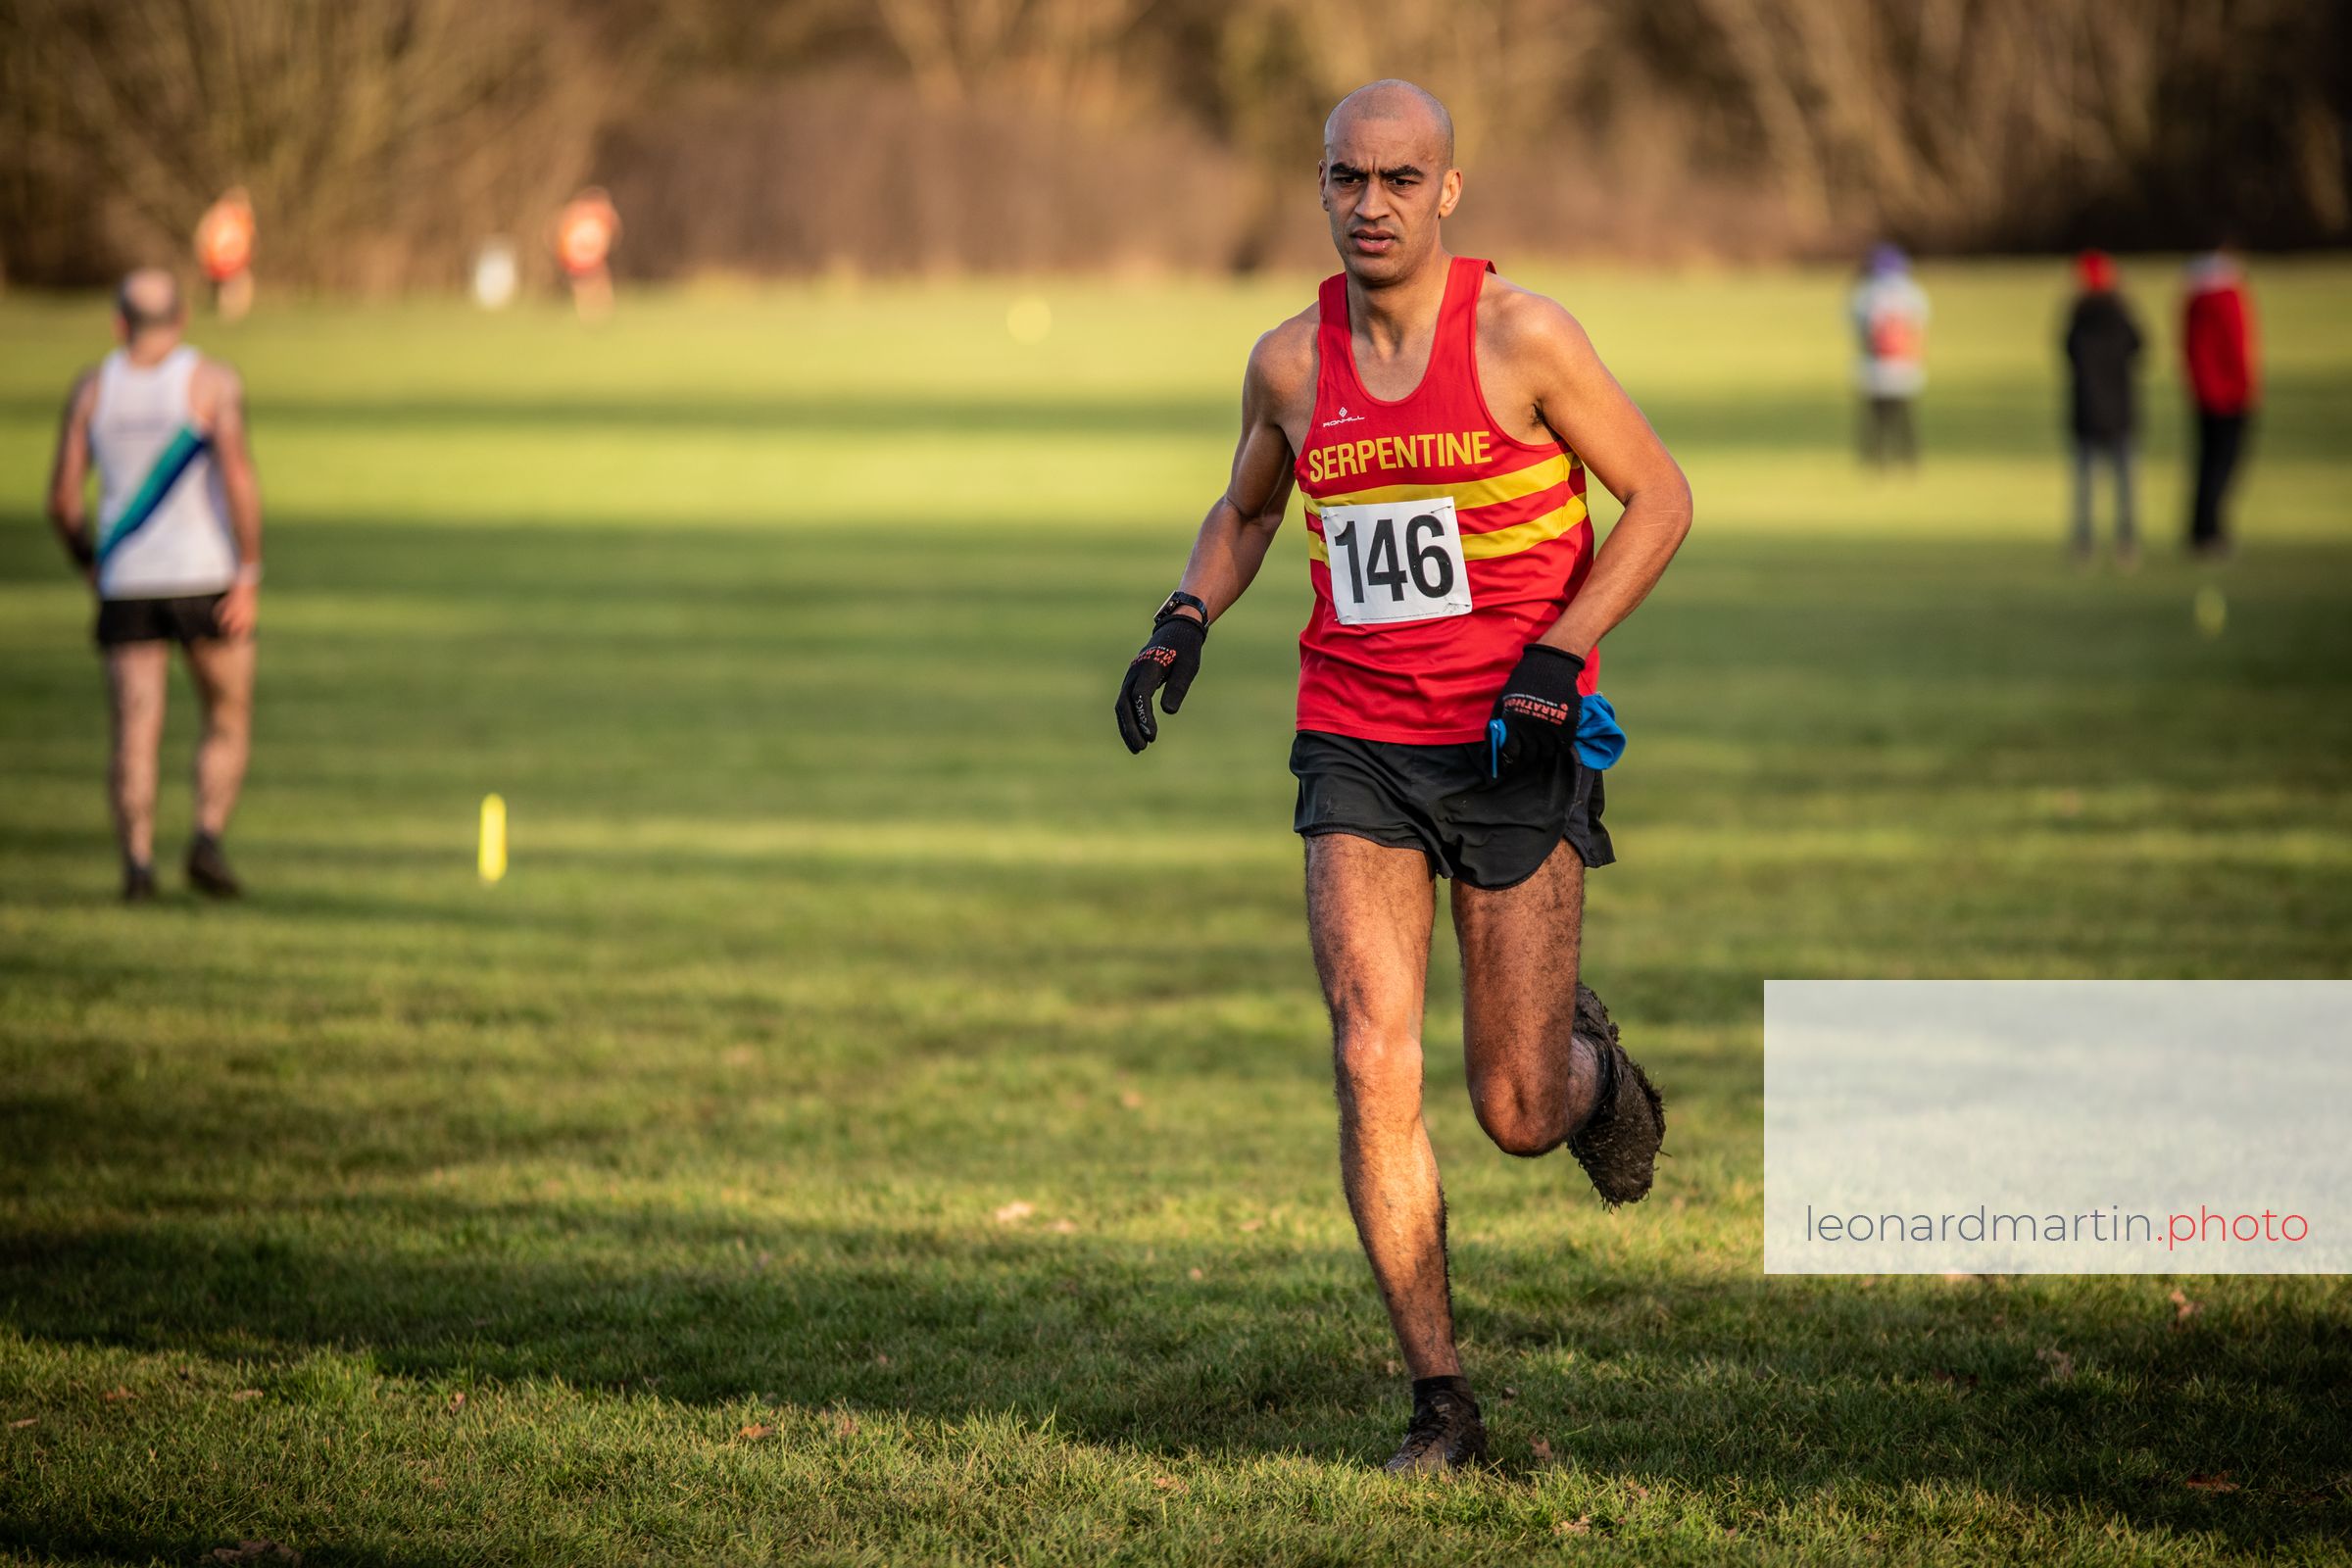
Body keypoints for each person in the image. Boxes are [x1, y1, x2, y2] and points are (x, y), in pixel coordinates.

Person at [1113, 80, 1688, 1474]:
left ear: (1448, 191)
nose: (1369, 204)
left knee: (1515, 1107)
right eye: (1345, 178)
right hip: (1356, 741)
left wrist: (1559, 651)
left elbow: (1660, 499)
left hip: (1511, 744)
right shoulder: (1288, 365)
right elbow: (1248, 508)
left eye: (1398, 178)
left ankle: (1594, 1075)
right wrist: (1184, 614)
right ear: (1320, 187)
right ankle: (1443, 1406)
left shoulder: (1522, 338)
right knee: (1372, 1050)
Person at [43, 269, 263, 901]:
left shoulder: (93, 390)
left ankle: (137, 867)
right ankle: (206, 835)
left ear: (119, 323)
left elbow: (63, 501)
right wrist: (249, 572)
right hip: (204, 577)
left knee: (134, 732)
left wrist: (90, 561)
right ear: (182, 317)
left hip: (127, 583)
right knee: (226, 715)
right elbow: (238, 478)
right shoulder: (211, 382)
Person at [2061, 250, 2143, 566]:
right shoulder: (2120, 316)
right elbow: (2139, 346)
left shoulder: (2078, 320)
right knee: (2125, 485)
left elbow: (2068, 353)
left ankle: (2084, 545)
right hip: (2121, 412)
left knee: (2086, 486)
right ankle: (2127, 543)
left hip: (2086, 413)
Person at [2182, 246, 2259, 558]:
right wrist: (2243, 389)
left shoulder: (2194, 301)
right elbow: (2237, 348)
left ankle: (2203, 529)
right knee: (2222, 465)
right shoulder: (2228, 300)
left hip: (2205, 395)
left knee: (2207, 463)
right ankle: (2210, 531)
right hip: (2229, 396)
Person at [1850, 243, 1928, 467]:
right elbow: (1920, 329)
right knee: (1905, 416)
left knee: (1877, 417)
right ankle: (1910, 459)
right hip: (1905, 365)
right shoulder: (1914, 293)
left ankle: (1876, 460)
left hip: (1874, 365)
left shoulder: (1865, 294)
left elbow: (1857, 329)